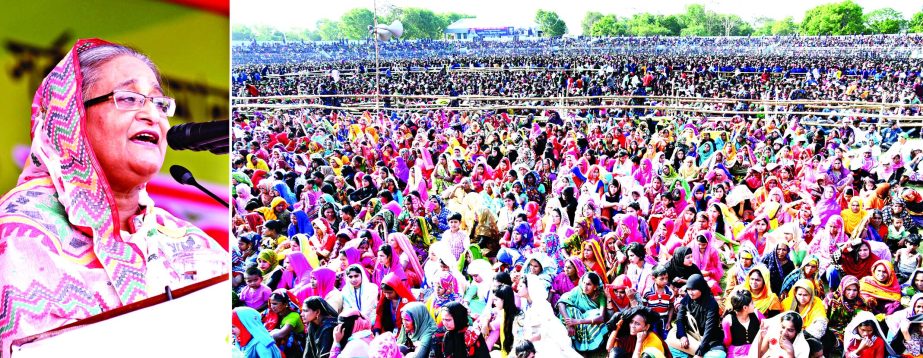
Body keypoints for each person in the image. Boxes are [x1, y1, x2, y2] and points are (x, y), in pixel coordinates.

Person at [0, 39, 227, 355]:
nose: (152, 115)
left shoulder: (194, 244)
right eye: (130, 98)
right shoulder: (15, 234)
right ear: (71, 116)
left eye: (160, 103)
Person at [667, 274, 725, 358]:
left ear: (701, 288)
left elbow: (709, 329)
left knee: (719, 355)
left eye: (693, 289)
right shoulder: (687, 300)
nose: (690, 292)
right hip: (691, 336)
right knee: (669, 346)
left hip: (709, 340)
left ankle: (693, 353)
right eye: (688, 289)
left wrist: (699, 353)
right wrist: (683, 336)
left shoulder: (711, 304)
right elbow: (680, 319)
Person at [557, 272, 609, 356]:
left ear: (595, 287)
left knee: (595, 313)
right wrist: (569, 324)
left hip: (585, 321)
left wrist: (578, 321)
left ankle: (584, 348)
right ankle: (573, 345)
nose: (585, 286)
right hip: (574, 320)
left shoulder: (600, 296)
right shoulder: (578, 290)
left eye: (588, 284)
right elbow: (561, 302)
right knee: (570, 309)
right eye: (584, 283)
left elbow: (601, 318)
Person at [606, 306, 671, 358]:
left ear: (646, 327)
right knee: (615, 353)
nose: (633, 326)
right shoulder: (629, 336)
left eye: (637, 324)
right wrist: (616, 329)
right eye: (631, 322)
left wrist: (639, 342)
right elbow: (609, 349)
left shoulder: (653, 340)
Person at [721, 290, 761, 357]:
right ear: (745, 308)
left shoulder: (757, 314)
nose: (754, 305)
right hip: (737, 353)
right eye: (752, 303)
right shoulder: (728, 320)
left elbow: (727, 341)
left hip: (756, 350)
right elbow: (727, 341)